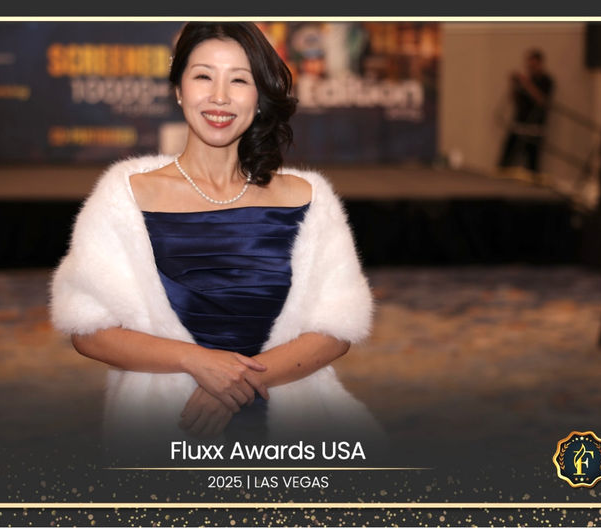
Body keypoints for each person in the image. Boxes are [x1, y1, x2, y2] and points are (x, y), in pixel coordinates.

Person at [49, 22, 385, 462]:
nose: (220, 96)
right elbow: (88, 329)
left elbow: (337, 328)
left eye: (239, 80)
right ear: (178, 89)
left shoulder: (310, 198)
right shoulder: (124, 195)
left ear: (259, 95)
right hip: (169, 433)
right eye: (204, 76)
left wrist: (235, 384)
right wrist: (197, 361)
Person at [497, 48, 555, 177]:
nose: (530, 68)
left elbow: (542, 100)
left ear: (540, 64)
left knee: (532, 164)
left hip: (535, 127)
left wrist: (526, 83)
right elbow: (513, 99)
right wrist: (513, 85)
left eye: (533, 65)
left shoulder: (546, 80)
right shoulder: (527, 80)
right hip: (519, 124)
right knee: (505, 160)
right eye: (529, 66)